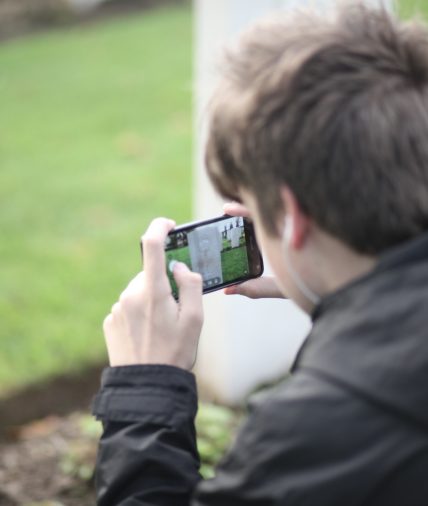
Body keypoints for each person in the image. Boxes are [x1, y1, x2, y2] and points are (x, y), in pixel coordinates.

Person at [92, 3, 428, 505]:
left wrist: (145, 391)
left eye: (250, 204)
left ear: (291, 217)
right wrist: (335, 297)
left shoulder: (315, 429)